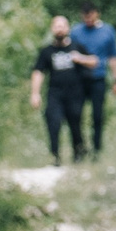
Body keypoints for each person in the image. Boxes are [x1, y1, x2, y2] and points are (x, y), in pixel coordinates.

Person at [29, 16, 97, 165]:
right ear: (52, 29)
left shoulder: (76, 47)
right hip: (55, 94)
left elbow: (94, 61)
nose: (59, 29)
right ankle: (55, 156)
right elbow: (38, 71)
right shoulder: (46, 51)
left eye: (62, 26)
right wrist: (35, 93)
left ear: (68, 29)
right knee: (53, 123)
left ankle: (78, 153)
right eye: (56, 26)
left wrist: (80, 59)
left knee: (75, 124)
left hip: (75, 93)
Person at [71, 6, 116, 160]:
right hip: (79, 80)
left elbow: (113, 57)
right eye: (85, 16)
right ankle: (79, 148)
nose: (88, 19)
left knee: (97, 116)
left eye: (90, 15)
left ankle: (97, 149)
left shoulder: (107, 31)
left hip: (98, 78)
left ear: (97, 13)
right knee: (76, 114)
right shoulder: (76, 31)